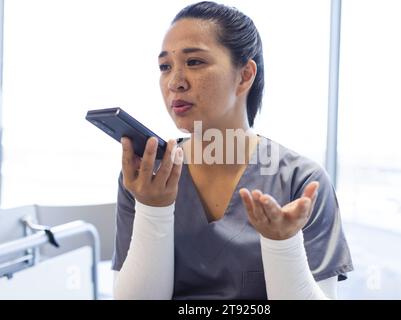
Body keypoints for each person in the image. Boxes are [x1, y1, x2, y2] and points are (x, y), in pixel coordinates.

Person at [112, 1, 353, 300]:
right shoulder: (147, 177)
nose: (175, 82)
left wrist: (283, 243)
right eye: (165, 67)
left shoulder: (300, 181)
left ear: (245, 75)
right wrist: (153, 208)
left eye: (195, 62)